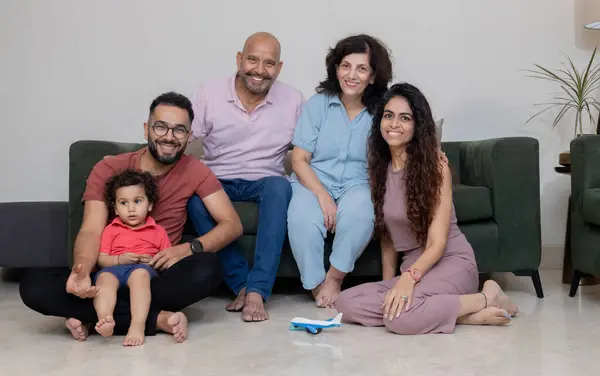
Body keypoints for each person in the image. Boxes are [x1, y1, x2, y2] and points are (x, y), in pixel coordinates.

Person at [19, 92, 243, 342]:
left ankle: (96, 316)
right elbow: (91, 229)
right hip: (105, 274)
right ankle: (154, 319)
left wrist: (187, 249)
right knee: (33, 285)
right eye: (161, 127)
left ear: (189, 137)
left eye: (179, 130)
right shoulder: (109, 168)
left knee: (208, 269)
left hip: (155, 275)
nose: (169, 137)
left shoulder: (195, 171)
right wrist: (81, 272)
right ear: (147, 129)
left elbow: (232, 225)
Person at [335, 83, 519, 335]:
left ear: (417, 125)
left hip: (449, 263)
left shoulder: (435, 167)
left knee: (398, 319)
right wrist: (390, 285)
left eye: (405, 118)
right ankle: (466, 315)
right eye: (388, 116)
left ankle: (486, 298)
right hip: (413, 269)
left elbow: (437, 243)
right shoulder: (379, 169)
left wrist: (408, 279)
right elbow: (388, 238)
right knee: (345, 303)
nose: (394, 124)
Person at [187, 32, 303, 322]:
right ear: (239, 59)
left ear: (279, 67)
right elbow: (183, 136)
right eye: (252, 59)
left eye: (269, 63)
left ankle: (257, 290)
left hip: (266, 181)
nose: (259, 70)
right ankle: (241, 283)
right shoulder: (209, 92)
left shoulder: (294, 100)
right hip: (218, 180)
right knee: (193, 196)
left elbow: (311, 149)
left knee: (280, 187)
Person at [287, 34, 393, 308]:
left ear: (372, 76)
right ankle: (315, 284)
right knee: (302, 218)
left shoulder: (383, 110)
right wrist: (322, 196)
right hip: (313, 179)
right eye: (345, 66)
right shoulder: (318, 104)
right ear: (336, 68)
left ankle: (334, 278)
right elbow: (299, 160)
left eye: (361, 68)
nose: (352, 75)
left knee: (361, 214)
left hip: (358, 182)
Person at [93, 169, 172, 346]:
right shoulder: (110, 230)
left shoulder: (158, 231)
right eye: (123, 203)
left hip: (143, 271)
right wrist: (120, 259)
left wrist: (154, 262)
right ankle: (105, 320)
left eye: (137, 201)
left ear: (150, 204)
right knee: (104, 278)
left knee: (139, 275)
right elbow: (102, 259)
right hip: (115, 269)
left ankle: (137, 325)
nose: (131, 209)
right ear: (115, 208)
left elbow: (168, 260)